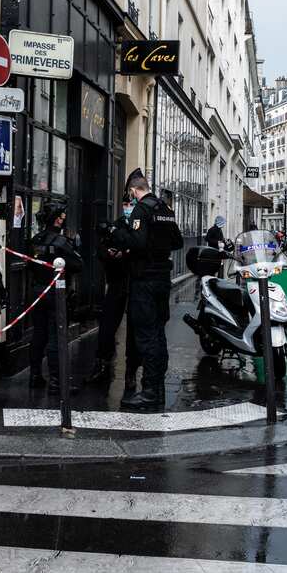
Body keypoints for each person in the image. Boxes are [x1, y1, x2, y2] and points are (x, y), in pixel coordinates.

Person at [111, 168, 183, 410]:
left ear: (133, 190)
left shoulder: (142, 209)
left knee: (146, 337)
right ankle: (158, 388)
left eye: (130, 194)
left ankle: (149, 391)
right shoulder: (165, 209)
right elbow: (177, 241)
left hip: (145, 280)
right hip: (163, 278)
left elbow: (137, 242)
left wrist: (119, 234)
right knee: (158, 334)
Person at [28, 203, 84, 392]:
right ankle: (56, 381)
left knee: (38, 334)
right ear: (58, 219)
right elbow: (78, 265)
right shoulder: (61, 242)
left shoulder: (36, 239)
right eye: (62, 216)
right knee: (55, 335)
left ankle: (35, 376)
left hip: (37, 291)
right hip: (55, 293)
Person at [84, 206, 131, 386]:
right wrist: (112, 255)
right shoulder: (116, 226)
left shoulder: (140, 226)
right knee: (107, 324)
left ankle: (131, 372)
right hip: (117, 282)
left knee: (136, 329)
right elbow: (101, 250)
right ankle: (103, 365)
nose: (128, 208)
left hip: (134, 282)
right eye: (126, 204)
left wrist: (125, 254)